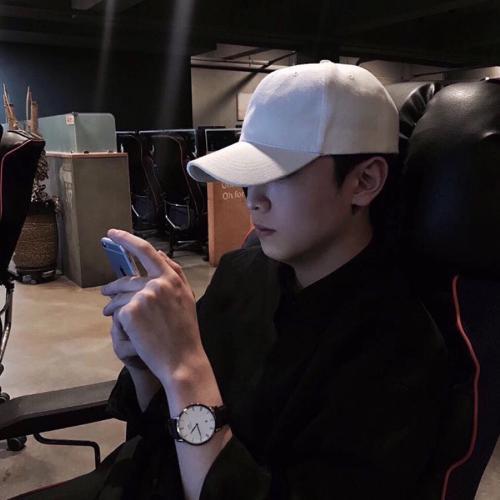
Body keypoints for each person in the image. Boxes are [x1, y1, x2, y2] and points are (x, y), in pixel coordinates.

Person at [14, 61, 448, 500]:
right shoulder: (241, 273)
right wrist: (145, 363)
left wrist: (184, 369)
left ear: (365, 181)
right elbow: (157, 429)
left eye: (280, 175)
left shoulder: (397, 348)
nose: (252, 199)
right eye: (249, 178)